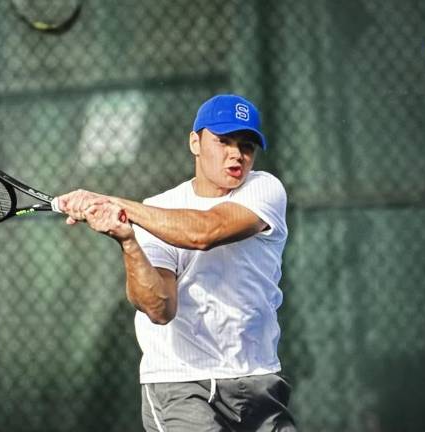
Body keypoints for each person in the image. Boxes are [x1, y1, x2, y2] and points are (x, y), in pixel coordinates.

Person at [57, 94, 296, 431]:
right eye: (223, 141)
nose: (236, 154)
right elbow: (159, 308)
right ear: (195, 142)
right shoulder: (159, 209)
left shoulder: (264, 189)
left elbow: (204, 231)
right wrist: (128, 241)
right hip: (182, 385)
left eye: (246, 145)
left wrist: (114, 202)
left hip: (258, 378)